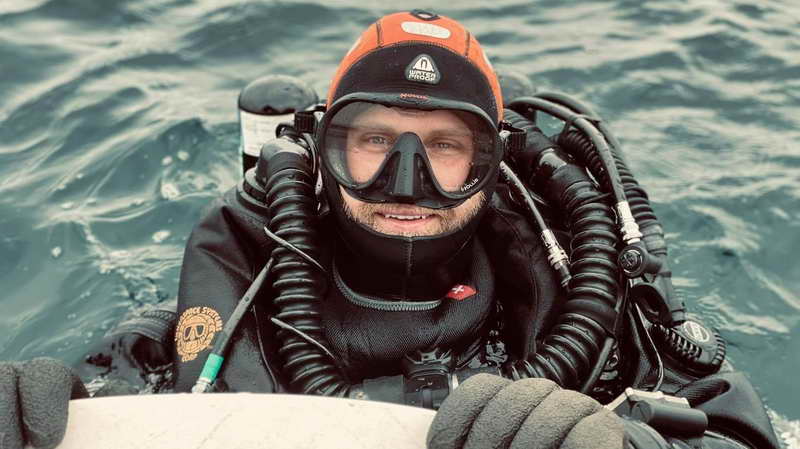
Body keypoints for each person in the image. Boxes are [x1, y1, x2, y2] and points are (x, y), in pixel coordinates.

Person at [0, 10, 781, 449]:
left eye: (445, 148)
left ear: (493, 164)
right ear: (322, 151)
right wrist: (44, 407)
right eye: (373, 143)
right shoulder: (241, 283)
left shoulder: (573, 289)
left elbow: (740, 430)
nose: (406, 184)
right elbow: (118, 396)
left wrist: (626, 446)